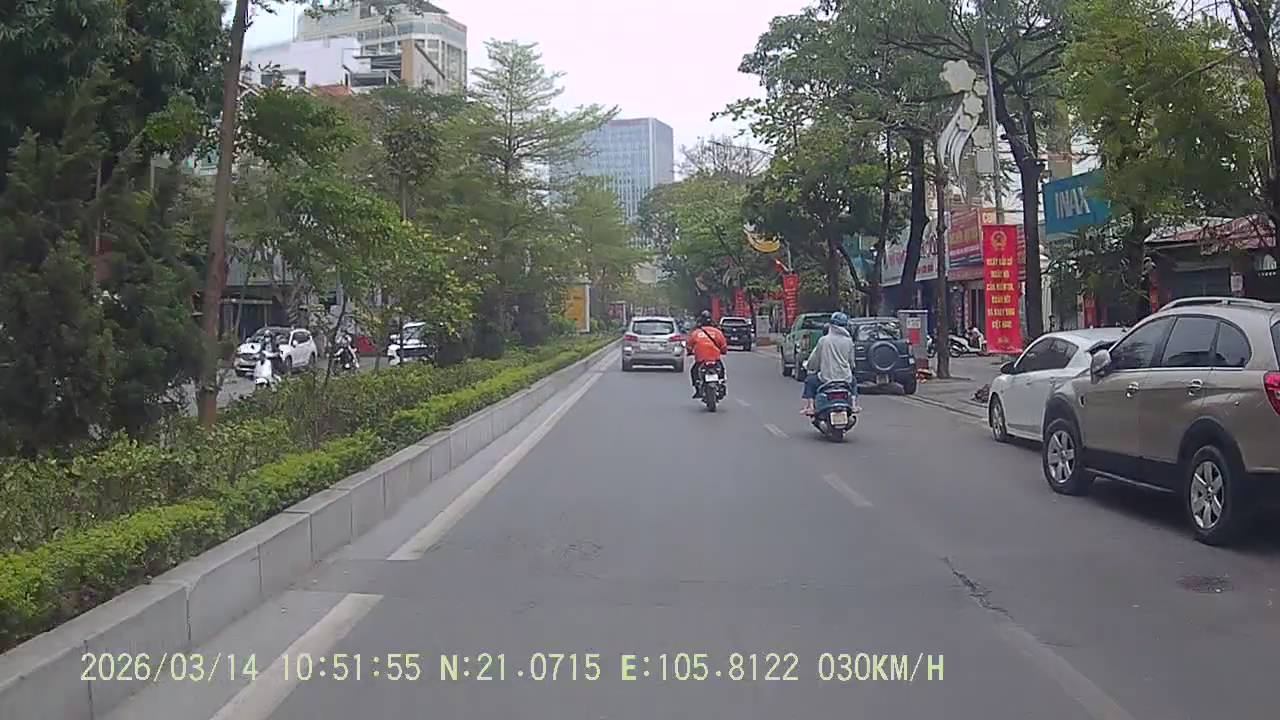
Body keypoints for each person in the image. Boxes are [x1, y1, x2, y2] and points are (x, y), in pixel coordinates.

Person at [800, 312, 861, 416]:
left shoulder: (824, 340)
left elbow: (814, 361)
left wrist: (810, 366)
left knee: (809, 381)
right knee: (854, 382)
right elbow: (851, 362)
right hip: (845, 379)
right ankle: (854, 405)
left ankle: (811, 407)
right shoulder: (849, 341)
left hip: (826, 379)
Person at [686, 310, 728, 398]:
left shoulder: (696, 333)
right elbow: (723, 346)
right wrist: (723, 351)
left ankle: (697, 390)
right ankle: (722, 385)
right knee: (722, 371)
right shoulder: (717, 332)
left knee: (694, 371)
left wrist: (689, 352)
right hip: (715, 359)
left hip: (701, 360)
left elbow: (689, 346)